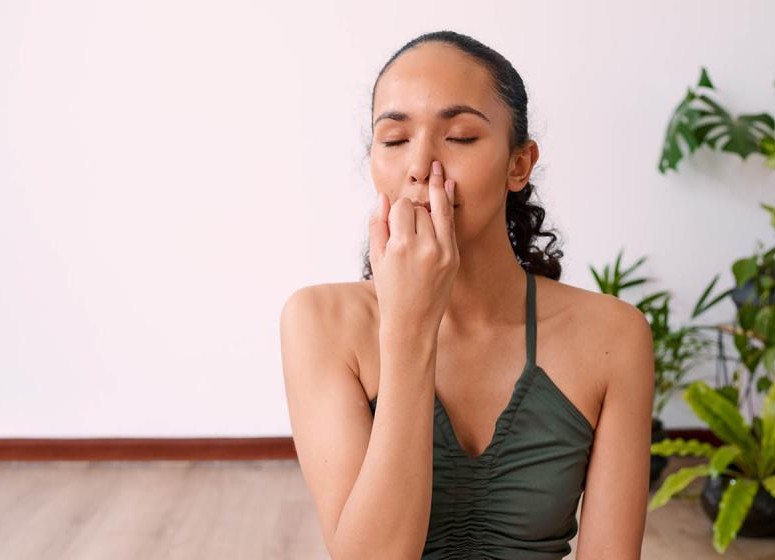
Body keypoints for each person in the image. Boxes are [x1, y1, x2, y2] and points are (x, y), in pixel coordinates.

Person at [280, 30, 654, 559]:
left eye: (458, 137)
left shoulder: (614, 335)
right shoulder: (319, 322)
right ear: (374, 163)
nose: (421, 166)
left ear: (518, 164)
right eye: (394, 140)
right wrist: (409, 327)